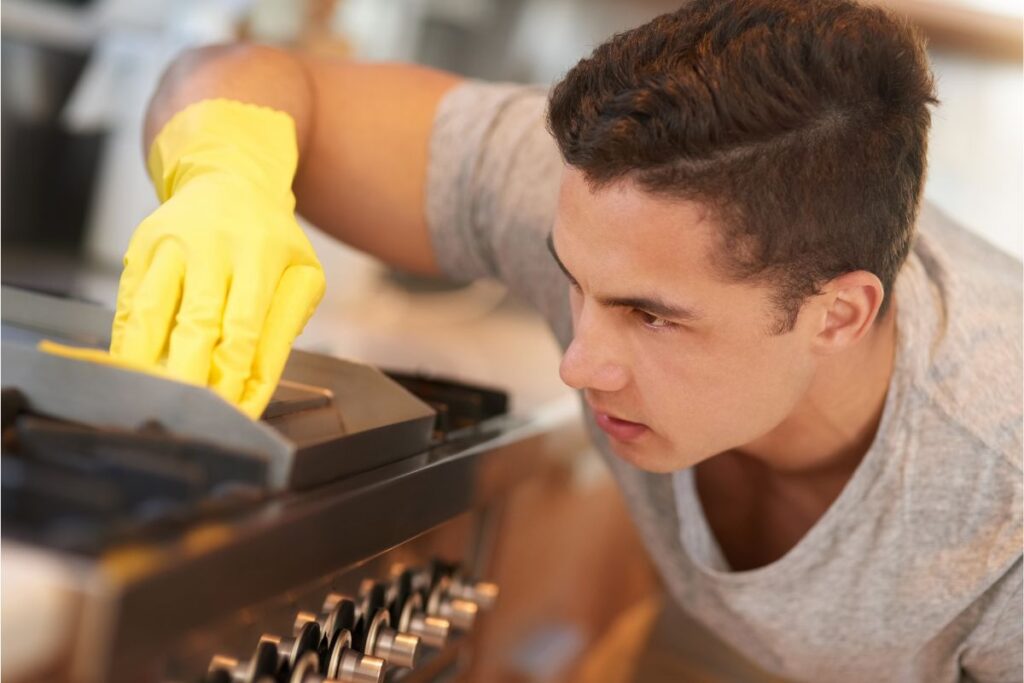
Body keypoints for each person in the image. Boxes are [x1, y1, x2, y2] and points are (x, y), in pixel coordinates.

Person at [77, 0, 1023, 680]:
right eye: (571, 279)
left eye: (653, 316)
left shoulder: (1001, 510)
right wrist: (227, 174)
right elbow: (242, 74)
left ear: (839, 315)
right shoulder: (609, 210)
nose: (578, 365)